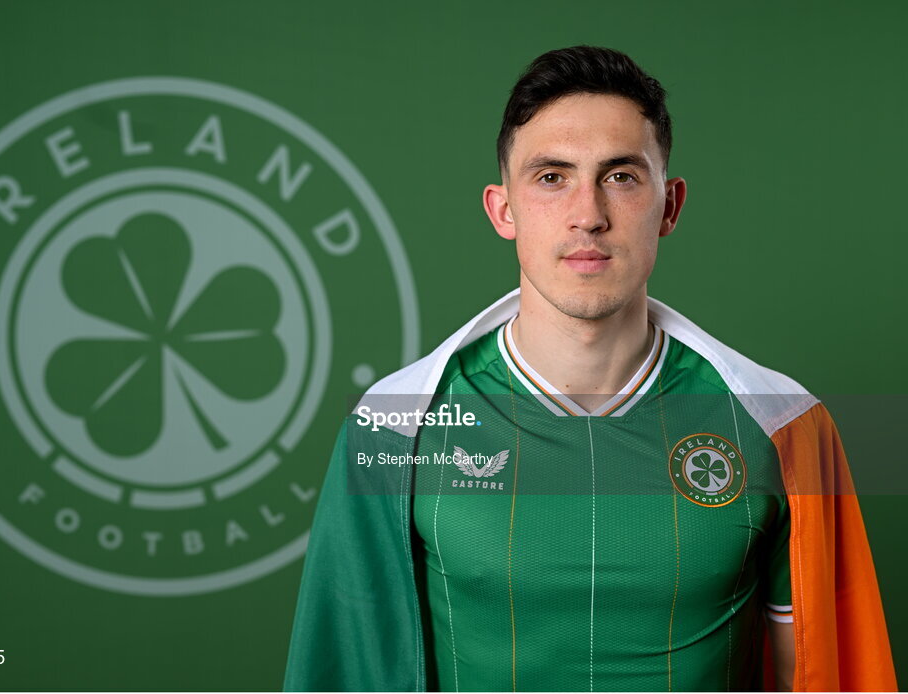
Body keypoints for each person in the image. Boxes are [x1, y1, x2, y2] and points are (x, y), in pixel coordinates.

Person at [283, 46, 897, 692]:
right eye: (552, 177)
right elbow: (345, 668)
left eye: (621, 176)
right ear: (503, 210)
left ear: (669, 205)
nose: (588, 215)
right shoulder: (394, 427)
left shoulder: (782, 425)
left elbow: (821, 673)